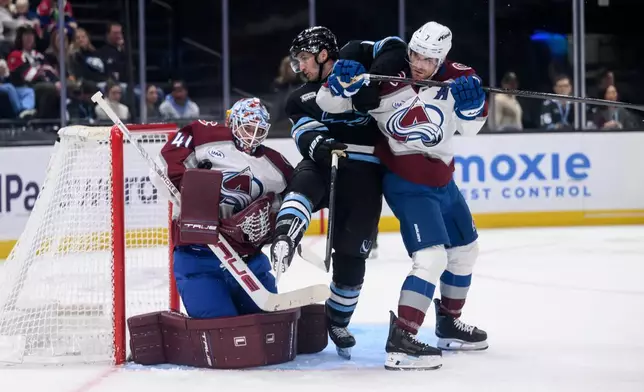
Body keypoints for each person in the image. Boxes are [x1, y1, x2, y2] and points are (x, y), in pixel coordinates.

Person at [316, 21, 489, 370]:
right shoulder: (383, 76)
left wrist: (474, 107)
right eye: (415, 54)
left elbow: (470, 126)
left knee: (466, 250)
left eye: (428, 58)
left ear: (442, 58)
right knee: (432, 258)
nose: (419, 63)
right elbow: (328, 103)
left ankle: (448, 323)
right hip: (406, 179)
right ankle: (403, 339)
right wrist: (339, 82)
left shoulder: (460, 77)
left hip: (443, 177)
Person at [269, 26, 405, 359]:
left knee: (352, 254)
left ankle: (337, 320)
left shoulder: (357, 51)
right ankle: (286, 237)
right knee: (305, 182)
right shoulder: (299, 97)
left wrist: (370, 75)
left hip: (367, 170)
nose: (300, 67)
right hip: (326, 160)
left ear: (324, 53)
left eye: (304, 59)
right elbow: (305, 136)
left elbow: (397, 47)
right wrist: (322, 145)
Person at [155, 97, 292, 319]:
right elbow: (171, 157)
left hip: (248, 261)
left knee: (267, 323)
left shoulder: (276, 165)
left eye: (260, 130)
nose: (253, 136)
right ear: (233, 122)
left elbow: (295, 199)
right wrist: (189, 191)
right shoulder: (204, 135)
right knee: (221, 328)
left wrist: (273, 224)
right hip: (198, 258)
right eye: (248, 128)